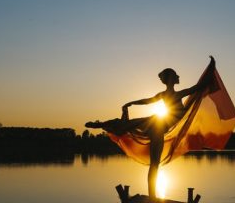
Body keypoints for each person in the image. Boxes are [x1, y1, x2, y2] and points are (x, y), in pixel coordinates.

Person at [86, 56, 217, 199]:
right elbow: (196, 88)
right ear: (172, 79)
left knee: (147, 153)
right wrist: (211, 68)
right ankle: (101, 124)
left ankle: (101, 124)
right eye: (176, 75)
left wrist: (132, 102)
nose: (179, 76)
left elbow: (149, 101)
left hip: (157, 127)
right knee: (153, 163)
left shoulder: (167, 94)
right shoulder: (178, 94)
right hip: (157, 125)